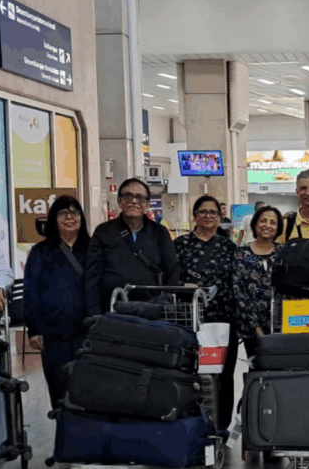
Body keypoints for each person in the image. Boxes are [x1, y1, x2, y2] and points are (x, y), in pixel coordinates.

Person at [174, 195, 239, 431]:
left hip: (223, 321)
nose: (208, 216)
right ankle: (191, 424)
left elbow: (237, 284)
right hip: (189, 322)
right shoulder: (180, 245)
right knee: (191, 373)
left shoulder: (229, 248)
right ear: (195, 216)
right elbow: (171, 279)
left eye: (212, 212)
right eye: (202, 212)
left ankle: (221, 425)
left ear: (220, 217)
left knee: (223, 376)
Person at [22, 195, 90, 409]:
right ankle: (63, 436)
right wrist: (34, 329)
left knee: (87, 389)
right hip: (53, 335)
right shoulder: (41, 251)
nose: (70, 217)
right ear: (54, 218)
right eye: (63, 212)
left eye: (75, 212)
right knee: (59, 389)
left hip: (87, 332)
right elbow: (31, 291)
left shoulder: (93, 249)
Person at [85, 178, 180, 316]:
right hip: (112, 311)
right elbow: (92, 276)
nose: (134, 201)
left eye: (140, 198)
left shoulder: (159, 233)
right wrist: (94, 313)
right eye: (128, 196)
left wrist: (166, 305)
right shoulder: (103, 232)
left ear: (147, 204)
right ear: (119, 201)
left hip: (150, 311)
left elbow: (172, 270)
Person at [233, 206, 283, 359]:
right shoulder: (241, 253)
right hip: (252, 328)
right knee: (257, 372)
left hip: (282, 327)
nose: (268, 225)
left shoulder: (284, 253)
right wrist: (256, 328)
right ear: (254, 224)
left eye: (273, 222)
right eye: (263, 221)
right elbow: (239, 291)